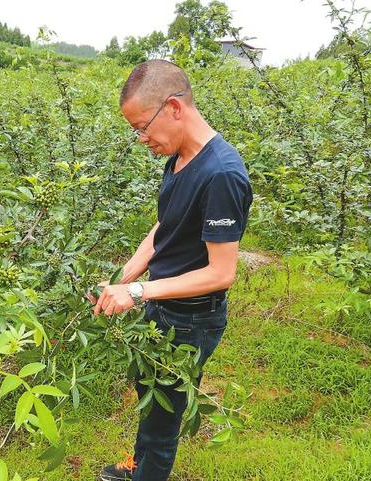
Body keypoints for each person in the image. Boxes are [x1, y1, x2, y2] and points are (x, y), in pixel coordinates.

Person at [90, 59, 253, 481]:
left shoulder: (222, 175)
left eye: (143, 127)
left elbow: (221, 273)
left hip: (191, 319)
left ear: (175, 108)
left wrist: (141, 292)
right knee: (151, 395)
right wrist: (125, 277)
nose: (141, 139)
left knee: (164, 423)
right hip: (162, 305)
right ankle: (138, 466)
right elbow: (168, 223)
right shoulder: (180, 155)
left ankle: (148, 468)